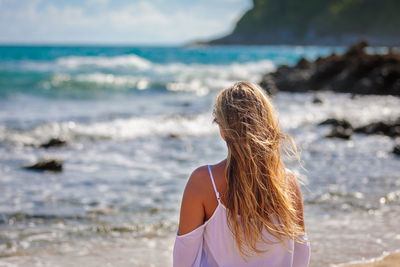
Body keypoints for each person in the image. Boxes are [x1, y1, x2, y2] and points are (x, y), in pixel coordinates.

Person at [173, 81, 310, 267]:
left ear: (222, 131)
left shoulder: (204, 181)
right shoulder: (288, 183)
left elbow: (183, 263)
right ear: (267, 123)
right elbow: (300, 258)